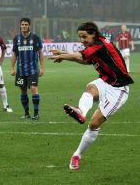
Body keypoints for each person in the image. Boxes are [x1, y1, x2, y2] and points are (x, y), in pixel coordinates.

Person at [48, 21, 134, 170]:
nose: (82, 40)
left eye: (84, 37)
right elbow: (86, 60)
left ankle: (77, 155)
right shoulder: (95, 45)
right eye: (80, 37)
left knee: (94, 124)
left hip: (119, 88)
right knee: (90, 88)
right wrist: (65, 56)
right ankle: (80, 111)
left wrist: (63, 55)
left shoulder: (100, 45)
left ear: (93, 34)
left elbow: (80, 55)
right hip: (105, 81)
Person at [10, 18, 44, 120]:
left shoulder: (35, 38)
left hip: (33, 69)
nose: (24, 26)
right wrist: (12, 68)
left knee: (33, 88)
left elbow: (40, 53)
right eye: (22, 24)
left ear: (29, 26)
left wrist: (41, 67)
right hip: (20, 71)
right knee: (23, 91)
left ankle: (36, 113)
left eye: (26, 24)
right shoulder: (16, 38)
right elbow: (14, 53)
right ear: (20, 25)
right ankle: (26, 113)